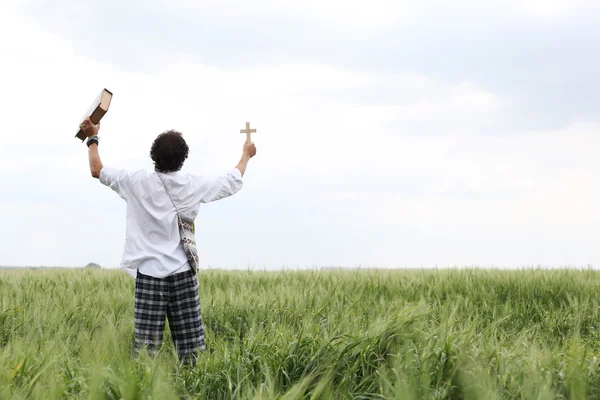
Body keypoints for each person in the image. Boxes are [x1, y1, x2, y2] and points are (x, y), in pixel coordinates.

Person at [79, 117, 257, 363]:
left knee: (145, 355)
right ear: (183, 158)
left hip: (150, 275)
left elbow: (97, 169)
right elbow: (231, 181)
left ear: (154, 156)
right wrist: (246, 154)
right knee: (192, 353)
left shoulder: (136, 183)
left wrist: (92, 138)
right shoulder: (193, 185)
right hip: (183, 273)